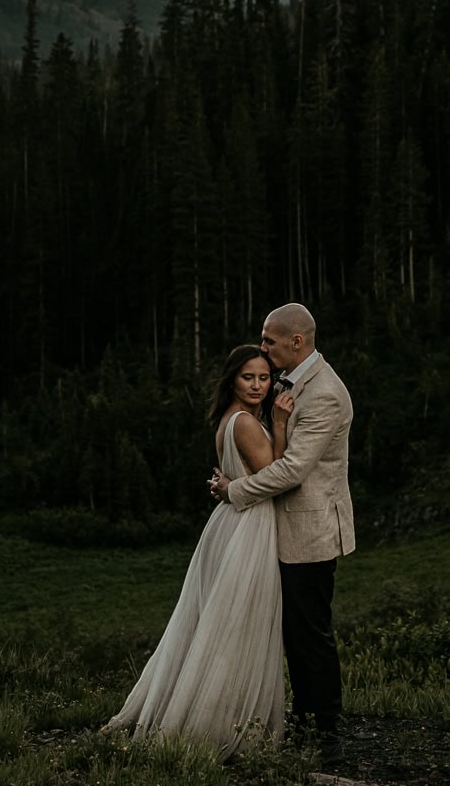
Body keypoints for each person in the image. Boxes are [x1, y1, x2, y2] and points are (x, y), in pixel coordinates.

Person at [103, 344, 289, 757]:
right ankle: (217, 725)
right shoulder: (245, 423)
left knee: (219, 622)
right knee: (238, 625)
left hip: (229, 524)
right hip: (249, 526)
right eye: (248, 377)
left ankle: (217, 713)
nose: (259, 385)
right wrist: (279, 423)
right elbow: (276, 473)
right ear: (232, 381)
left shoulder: (228, 419)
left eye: (264, 377)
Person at [209, 302, 355, 759]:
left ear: (297, 341)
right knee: (293, 630)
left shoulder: (325, 393)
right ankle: (306, 717)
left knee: (310, 631)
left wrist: (235, 490)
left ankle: (326, 730)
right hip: (283, 529)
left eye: (270, 340)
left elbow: (291, 470)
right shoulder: (289, 384)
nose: (263, 346)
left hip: (310, 531)